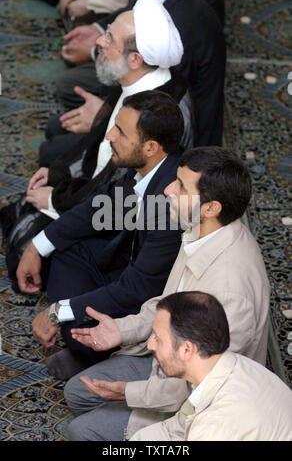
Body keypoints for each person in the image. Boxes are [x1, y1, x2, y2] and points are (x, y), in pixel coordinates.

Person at [63, 146, 270, 441]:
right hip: (168, 357)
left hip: (197, 405)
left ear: (211, 207)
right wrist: (121, 331)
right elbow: (167, 303)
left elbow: (198, 384)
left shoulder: (228, 294)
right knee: (77, 394)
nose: (168, 191)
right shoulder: (202, 230)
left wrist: (128, 393)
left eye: (181, 187)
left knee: (81, 431)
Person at [0, 0, 195, 288]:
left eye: (109, 38)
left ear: (135, 59)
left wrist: (57, 199)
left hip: (121, 220)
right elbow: (99, 146)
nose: (100, 42)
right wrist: (60, 174)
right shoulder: (140, 77)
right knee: (31, 196)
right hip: (103, 189)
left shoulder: (155, 114)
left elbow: (119, 198)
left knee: (23, 246)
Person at [16, 90, 185, 380]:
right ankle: (88, 347)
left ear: (150, 147)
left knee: (75, 326)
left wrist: (58, 311)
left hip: (153, 304)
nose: (110, 136)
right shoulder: (153, 168)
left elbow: (137, 291)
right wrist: (36, 247)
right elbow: (97, 210)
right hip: (128, 268)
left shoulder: (169, 207)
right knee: (66, 250)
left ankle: (106, 358)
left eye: (121, 131)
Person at [55, 0, 225, 146]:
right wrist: (96, 30)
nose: (100, 41)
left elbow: (160, 118)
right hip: (130, 88)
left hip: (171, 139)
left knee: (53, 147)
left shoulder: (181, 26)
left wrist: (104, 116)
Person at [130, 291, 292, 441]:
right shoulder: (234, 366)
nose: (150, 345)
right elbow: (178, 427)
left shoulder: (215, 427)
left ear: (187, 349)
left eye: (158, 338)